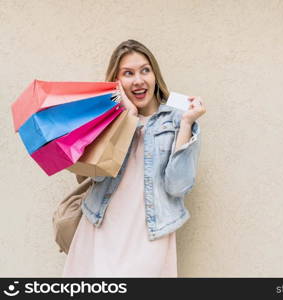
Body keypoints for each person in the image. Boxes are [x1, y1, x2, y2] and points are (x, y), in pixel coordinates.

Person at [62, 39, 206, 277]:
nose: (138, 80)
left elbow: (178, 186)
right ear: (117, 82)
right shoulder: (107, 119)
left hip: (151, 233)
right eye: (128, 73)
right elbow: (91, 176)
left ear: (154, 75)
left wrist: (187, 123)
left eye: (144, 70)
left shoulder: (176, 119)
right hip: (102, 228)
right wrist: (126, 117)